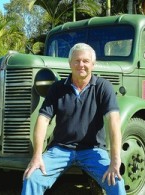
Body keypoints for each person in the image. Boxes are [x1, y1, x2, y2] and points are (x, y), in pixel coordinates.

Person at [22, 43, 126, 195]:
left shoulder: (104, 87)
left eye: (85, 61)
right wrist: (37, 156)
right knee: (33, 177)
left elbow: (114, 122)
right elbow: (43, 120)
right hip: (60, 149)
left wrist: (115, 160)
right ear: (70, 63)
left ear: (93, 64)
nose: (81, 65)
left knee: (116, 181)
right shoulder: (57, 88)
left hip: (93, 150)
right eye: (76, 61)